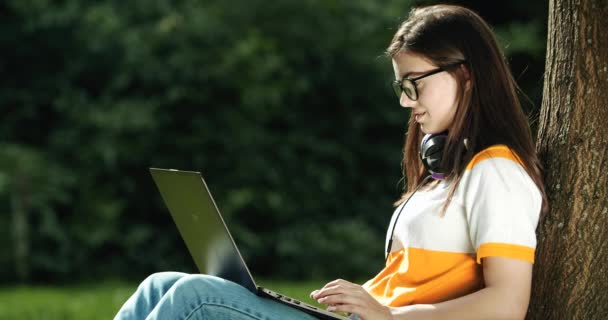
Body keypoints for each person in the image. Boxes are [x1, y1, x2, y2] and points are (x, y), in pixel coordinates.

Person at [114, 4, 548, 320]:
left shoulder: (496, 173)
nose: (403, 101)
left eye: (414, 84)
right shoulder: (444, 171)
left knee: (195, 296)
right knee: (160, 284)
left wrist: (387, 316)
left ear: (466, 76)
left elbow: (507, 304)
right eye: (400, 86)